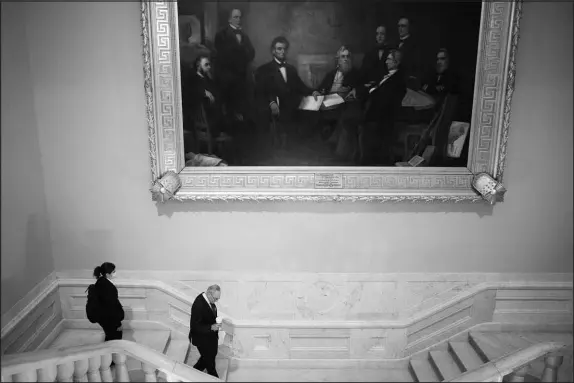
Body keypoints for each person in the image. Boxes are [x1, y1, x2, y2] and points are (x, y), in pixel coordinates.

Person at [255, 36, 320, 149]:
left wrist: (313, 92)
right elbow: (261, 93)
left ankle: (305, 142)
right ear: (273, 51)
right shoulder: (264, 70)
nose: (282, 51)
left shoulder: (291, 69)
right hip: (276, 106)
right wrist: (271, 103)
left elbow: (301, 86)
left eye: (284, 49)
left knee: (315, 107)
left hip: (292, 105)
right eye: (279, 49)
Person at [360, 49, 407, 165]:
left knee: (367, 130)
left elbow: (386, 98)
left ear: (396, 62)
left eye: (389, 59)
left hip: (383, 116)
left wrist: (372, 91)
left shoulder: (397, 79)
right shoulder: (387, 76)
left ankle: (368, 162)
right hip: (376, 112)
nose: (386, 62)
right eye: (386, 59)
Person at [214, 8, 255, 121]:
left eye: (239, 17)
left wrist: (242, 54)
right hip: (228, 78)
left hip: (242, 78)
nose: (238, 20)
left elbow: (251, 53)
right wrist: (241, 53)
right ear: (229, 19)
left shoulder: (244, 35)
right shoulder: (221, 34)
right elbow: (223, 55)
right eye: (235, 17)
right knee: (229, 108)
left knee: (242, 107)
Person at [189, 284, 222, 378]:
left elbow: (209, 317)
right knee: (211, 366)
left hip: (209, 337)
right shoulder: (198, 304)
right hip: (201, 339)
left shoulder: (209, 300)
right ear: (209, 294)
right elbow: (195, 327)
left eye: (218, 298)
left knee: (206, 359)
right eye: (216, 298)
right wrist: (211, 327)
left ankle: (192, 374)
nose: (216, 301)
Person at [93, 262, 124, 342]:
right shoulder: (108, 287)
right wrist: (118, 323)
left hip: (103, 319)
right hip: (110, 320)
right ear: (107, 274)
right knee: (115, 339)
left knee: (109, 336)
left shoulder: (100, 282)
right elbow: (112, 307)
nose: (115, 273)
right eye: (113, 272)